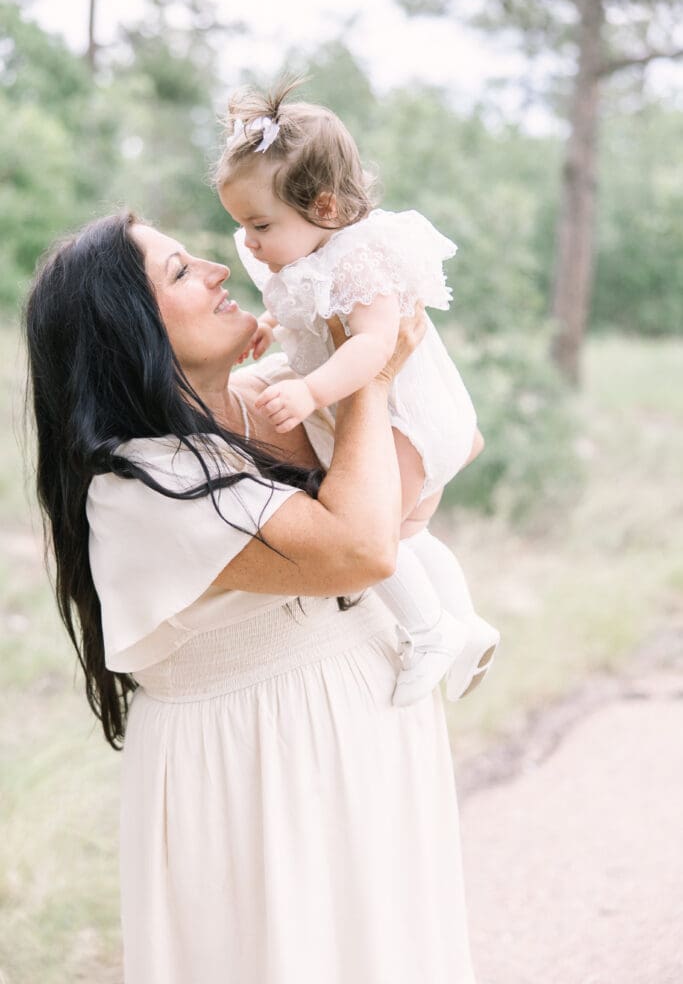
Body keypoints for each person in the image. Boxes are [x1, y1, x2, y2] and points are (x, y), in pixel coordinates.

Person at [25, 211, 478, 983]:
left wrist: (352, 336)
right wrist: (365, 376)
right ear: (126, 331)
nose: (216, 269)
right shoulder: (147, 481)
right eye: (179, 273)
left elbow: (449, 448)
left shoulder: (268, 392)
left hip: (368, 731)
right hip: (259, 764)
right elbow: (363, 548)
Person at [214, 80, 499, 708]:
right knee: (413, 534)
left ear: (323, 207)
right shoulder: (305, 260)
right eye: (241, 226)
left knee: (376, 535)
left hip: (406, 417)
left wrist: (310, 388)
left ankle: (430, 634)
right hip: (390, 417)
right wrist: (269, 328)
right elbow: (315, 327)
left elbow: (374, 345)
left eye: (260, 225)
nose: (251, 243)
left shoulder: (357, 260)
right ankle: (466, 623)